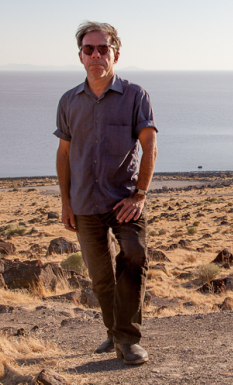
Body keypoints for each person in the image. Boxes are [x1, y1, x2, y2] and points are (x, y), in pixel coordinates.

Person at [54, 21, 157, 365]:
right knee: (100, 278)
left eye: (103, 48)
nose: (96, 54)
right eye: (89, 49)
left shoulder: (135, 95)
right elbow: (64, 153)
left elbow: (149, 143)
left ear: (116, 53)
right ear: (81, 55)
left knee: (135, 253)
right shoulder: (69, 101)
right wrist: (66, 202)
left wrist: (140, 195)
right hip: (84, 202)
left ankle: (128, 340)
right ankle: (115, 334)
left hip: (124, 199)